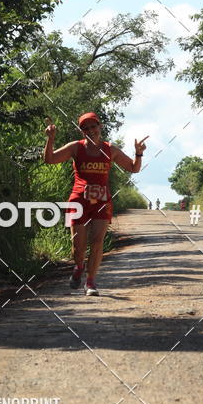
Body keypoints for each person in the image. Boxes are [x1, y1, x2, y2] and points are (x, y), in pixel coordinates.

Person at [44, 113, 148, 296]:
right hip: (78, 201)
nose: (90, 131)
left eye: (93, 127)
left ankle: (90, 282)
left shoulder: (110, 149)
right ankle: (78, 266)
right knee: (79, 246)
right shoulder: (76, 147)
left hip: (102, 201)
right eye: (86, 128)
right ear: (81, 131)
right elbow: (50, 159)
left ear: (100, 127)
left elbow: (134, 168)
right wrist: (50, 140)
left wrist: (138, 153)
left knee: (97, 241)